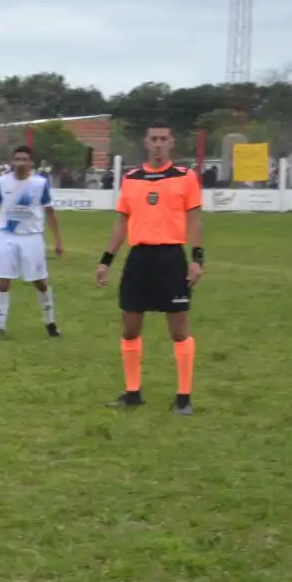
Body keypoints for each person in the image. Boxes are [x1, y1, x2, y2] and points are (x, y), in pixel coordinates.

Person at [95, 122, 204, 415]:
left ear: (172, 143)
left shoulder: (185, 177)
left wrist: (197, 259)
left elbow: (194, 220)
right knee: (130, 327)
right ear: (146, 142)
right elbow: (121, 223)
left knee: (178, 329)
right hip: (139, 258)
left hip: (171, 258)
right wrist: (106, 260)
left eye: (163, 139)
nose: (158, 144)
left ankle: (183, 398)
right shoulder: (132, 179)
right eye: (153, 138)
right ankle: (132, 393)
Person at [0, 145, 64, 338]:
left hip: (32, 238)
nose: (20, 163)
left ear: (31, 163)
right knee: (3, 282)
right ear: (12, 161)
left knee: (39, 282)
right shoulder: (2, 182)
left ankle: (50, 322)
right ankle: (0, 326)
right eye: (17, 159)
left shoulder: (40, 184)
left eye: (24, 159)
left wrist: (58, 239)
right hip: (7, 237)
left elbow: (49, 212)